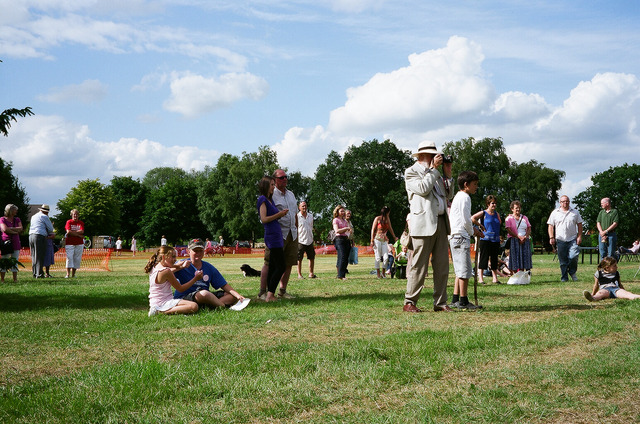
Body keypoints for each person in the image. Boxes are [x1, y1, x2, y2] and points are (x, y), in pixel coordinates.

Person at [403, 141, 454, 313]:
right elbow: (424, 189)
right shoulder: (411, 172)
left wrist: (447, 175)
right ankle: (410, 301)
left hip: (440, 222)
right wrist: (433, 170)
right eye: (433, 155)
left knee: (442, 266)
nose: (436, 158)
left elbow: (449, 195)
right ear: (423, 155)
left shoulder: (436, 173)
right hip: (423, 223)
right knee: (419, 265)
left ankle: (440, 302)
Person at [259, 169, 298, 299]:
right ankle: (263, 292)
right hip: (278, 234)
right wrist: (279, 215)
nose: (285, 179)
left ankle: (282, 291)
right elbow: (264, 218)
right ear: (274, 181)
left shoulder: (291, 194)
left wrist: (296, 228)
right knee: (270, 263)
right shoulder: (270, 196)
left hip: (292, 233)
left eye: (286, 177)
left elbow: (295, 213)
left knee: (288, 263)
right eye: (281, 177)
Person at [174, 238, 245, 309]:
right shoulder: (181, 263)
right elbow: (165, 273)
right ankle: (221, 306)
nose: (198, 253)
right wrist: (180, 267)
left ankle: (211, 305)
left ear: (204, 251)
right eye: (195, 251)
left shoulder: (208, 267)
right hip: (186, 297)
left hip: (205, 296)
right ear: (188, 251)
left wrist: (238, 296)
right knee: (204, 294)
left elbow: (223, 285)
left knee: (231, 296)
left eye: (200, 251)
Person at [448, 171, 484, 310]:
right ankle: (463, 301)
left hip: (456, 235)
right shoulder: (465, 197)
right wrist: (473, 231)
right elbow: (466, 219)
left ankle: (456, 298)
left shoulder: (459, 196)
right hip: (460, 236)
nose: (476, 187)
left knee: (460, 269)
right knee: (464, 270)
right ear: (466, 185)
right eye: (474, 184)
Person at [257, 176, 289, 302]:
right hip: (271, 236)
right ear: (265, 186)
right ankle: (270, 294)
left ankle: (270, 294)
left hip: (277, 235)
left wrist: (281, 215)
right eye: (271, 184)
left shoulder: (270, 200)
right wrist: (279, 214)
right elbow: (264, 219)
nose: (273, 187)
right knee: (281, 266)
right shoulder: (262, 199)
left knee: (274, 265)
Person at [145, 245, 201, 316]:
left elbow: (170, 266)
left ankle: (157, 309)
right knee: (194, 306)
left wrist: (181, 266)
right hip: (164, 303)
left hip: (155, 302)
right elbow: (181, 288)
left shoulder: (155, 266)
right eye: (173, 256)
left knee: (187, 305)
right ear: (164, 257)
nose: (175, 259)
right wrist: (195, 278)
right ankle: (160, 311)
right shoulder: (166, 271)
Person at [547, 195, 583, 282]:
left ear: (569, 202)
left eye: (567, 201)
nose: (565, 203)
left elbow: (580, 224)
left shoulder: (575, 212)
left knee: (573, 256)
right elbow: (550, 226)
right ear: (560, 202)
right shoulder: (555, 212)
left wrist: (579, 236)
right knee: (563, 261)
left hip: (572, 239)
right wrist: (551, 237)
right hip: (560, 239)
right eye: (563, 201)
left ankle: (572, 272)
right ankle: (564, 278)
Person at [471, 195, 502, 284]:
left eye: (495, 203)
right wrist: (480, 226)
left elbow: (499, 223)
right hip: (485, 239)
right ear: (488, 204)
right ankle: (480, 278)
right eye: (492, 203)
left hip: (495, 240)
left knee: (494, 259)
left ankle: (495, 278)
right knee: (484, 258)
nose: (494, 205)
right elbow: (473, 218)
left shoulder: (497, 214)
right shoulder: (483, 213)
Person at [505, 200, 532, 278]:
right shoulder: (509, 218)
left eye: (519, 208)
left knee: (524, 257)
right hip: (514, 240)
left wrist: (525, 237)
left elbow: (529, 228)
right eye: (516, 208)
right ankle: (515, 275)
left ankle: (524, 275)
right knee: (515, 258)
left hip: (524, 240)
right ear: (512, 209)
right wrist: (518, 237)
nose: (518, 209)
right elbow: (508, 229)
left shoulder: (524, 218)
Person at [370, 206, 398, 278]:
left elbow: (390, 228)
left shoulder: (387, 220)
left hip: (384, 240)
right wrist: (372, 240)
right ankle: (378, 274)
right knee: (378, 257)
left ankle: (383, 272)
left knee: (386, 257)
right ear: (387, 212)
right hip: (377, 239)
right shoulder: (377, 219)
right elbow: (373, 229)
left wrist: (394, 237)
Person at [29, 204, 55, 278]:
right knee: (40, 256)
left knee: (34, 255)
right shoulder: (44, 216)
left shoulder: (33, 216)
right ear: (46, 212)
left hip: (31, 235)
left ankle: (35, 273)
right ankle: (39, 274)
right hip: (39, 236)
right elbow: (50, 229)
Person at [1, 204, 23, 283]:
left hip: (16, 242)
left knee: (15, 261)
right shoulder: (2, 219)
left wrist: (10, 228)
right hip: (6, 242)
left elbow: (21, 229)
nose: (16, 211)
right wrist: (15, 231)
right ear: (10, 210)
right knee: (4, 260)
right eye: (15, 209)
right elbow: (4, 229)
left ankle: (15, 279)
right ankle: (2, 279)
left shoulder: (17, 219)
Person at [296, 201, 317, 279]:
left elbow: (311, 227)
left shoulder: (311, 216)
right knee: (299, 258)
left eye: (305, 206)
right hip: (300, 240)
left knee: (311, 257)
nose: (304, 207)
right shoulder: (297, 216)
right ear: (299, 207)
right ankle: (299, 274)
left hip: (310, 240)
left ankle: (311, 273)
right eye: (302, 206)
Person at [332, 205, 352, 280]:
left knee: (346, 257)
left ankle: (343, 274)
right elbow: (337, 230)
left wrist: (349, 231)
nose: (343, 212)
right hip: (339, 239)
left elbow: (347, 230)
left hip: (346, 239)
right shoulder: (336, 220)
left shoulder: (345, 220)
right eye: (341, 211)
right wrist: (346, 228)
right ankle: (340, 275)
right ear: (337, 212)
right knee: (342, 256)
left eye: (344, 211)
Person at [64, 209, 85, 278]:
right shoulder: (69, 222)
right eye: (74, 214)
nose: (75, 215)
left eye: (76, 214)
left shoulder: (81, 223)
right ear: (71, 215)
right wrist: (78, 235)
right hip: (69, 243)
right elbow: (68, 232)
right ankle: (67, 274)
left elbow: (82, 231)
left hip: (79, 243)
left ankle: (73, 274)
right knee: (69, 257)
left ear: (78, 215)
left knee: (77, 258)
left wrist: (73, 233)